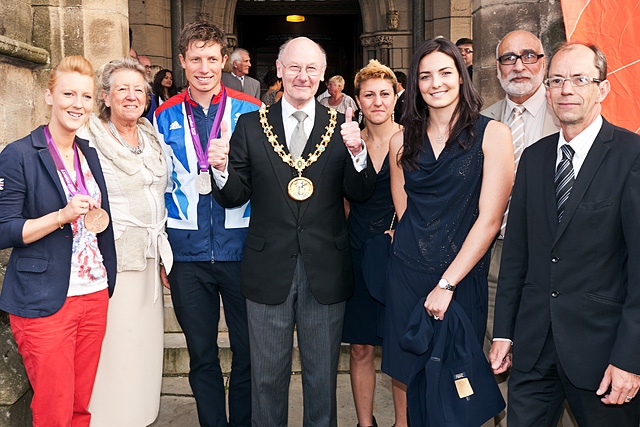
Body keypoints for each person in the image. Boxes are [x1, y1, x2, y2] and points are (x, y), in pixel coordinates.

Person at [208, 36, 376, 427]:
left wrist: (358, 154)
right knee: (267, 380)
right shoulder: (250, 126)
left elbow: (361, 192)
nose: (303, 76)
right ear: (280, 71)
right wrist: (219, 170)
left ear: (322, 75)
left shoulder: (344, 126)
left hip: (326, 268)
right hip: (268, 268)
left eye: (312, 68)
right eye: (295, 67)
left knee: (322, 380)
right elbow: (235, 195)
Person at [489, 42, 640, 427]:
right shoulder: (535, 158)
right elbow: (516, 257)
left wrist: (630, 359)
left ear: (602, 89)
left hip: (603, 355)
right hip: (534, 347)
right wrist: (504, 332)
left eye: (579, 79)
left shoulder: (631, 155)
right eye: (556, 80)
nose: (566, 89)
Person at [384, 37, 513, 427]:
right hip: (407, 278)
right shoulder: (399, 141)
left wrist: (447, 282)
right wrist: (421, 272)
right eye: (425, 75)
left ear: (461, 75)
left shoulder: (494, 135)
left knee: (458, 391)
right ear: (416, 85)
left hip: (460, 279)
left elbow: (490, 220)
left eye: (444, 72)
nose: (435, 82)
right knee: (415, 385)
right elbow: (407, 213)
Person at [153, 21, 262, 427]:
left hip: (243, 252)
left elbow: (266, 182)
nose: (204, 68)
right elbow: (156, 185)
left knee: (249, 351)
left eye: (211, 59)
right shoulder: (161, 117)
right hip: (187, 255)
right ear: (182, 62)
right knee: (201, 354)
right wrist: (162, 250)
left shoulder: (251, 112)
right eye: (195, 59)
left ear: (224, 61)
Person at [0, 56, 117, 426]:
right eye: (68, 93)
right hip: (44, 299)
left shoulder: (90, 155)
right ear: (49, 95)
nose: (76, 104)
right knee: (53, 408)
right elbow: (4, 230)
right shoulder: (18, 155)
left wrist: (108, 278)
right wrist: (60, 217)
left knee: (80, 406)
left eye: (85, 96)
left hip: (94, 293)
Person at [80, 57, 171, 427]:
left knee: (144, 349)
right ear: (105, 96)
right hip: (112, 260)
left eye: (139, 89)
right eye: (122, 89)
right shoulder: (89, 134)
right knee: (114, 348)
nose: (132, 97)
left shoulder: (151, 134)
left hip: (151, 257)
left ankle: (141, 416)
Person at [481, 29, 562, 427]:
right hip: (495, 258)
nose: (519, 65)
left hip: (552, 260)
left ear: (544, 62)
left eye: (528, 55)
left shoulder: (567, 115)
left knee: (551, 365)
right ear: (496, 68)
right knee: (493, 357)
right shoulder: (482, 120)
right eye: (508, 58)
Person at [343, 59, 401, 427]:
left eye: (384, 93)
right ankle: (366, 424)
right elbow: (342, 200)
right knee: (361, 345)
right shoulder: (348, 141)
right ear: (358, 101)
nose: (377, 101)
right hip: (355, 251)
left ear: (397, 96)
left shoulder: (412, 137)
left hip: (399, 254)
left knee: (398, 346)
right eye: (369, 95)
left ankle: (403, 423)